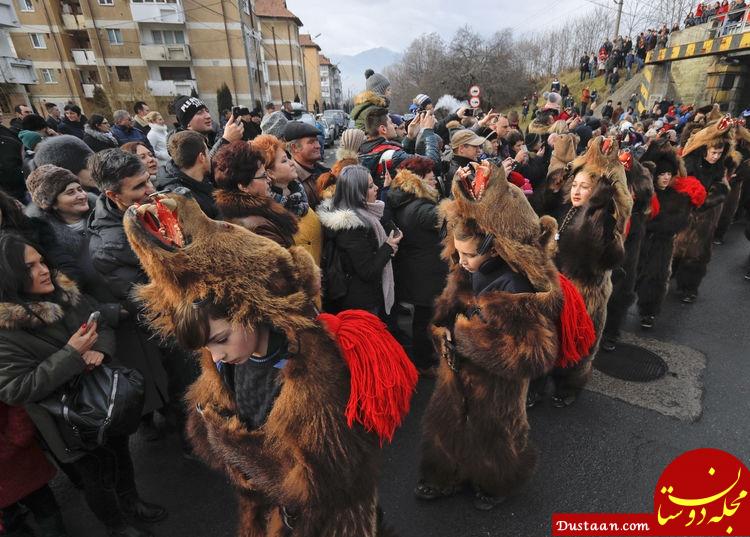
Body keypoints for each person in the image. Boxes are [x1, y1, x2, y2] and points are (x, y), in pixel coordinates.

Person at [122, 190, 416, 537]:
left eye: (219, 341)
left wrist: (232, 444)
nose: (215, 356)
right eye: (206, 347)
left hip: (327, 517)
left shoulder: (313, 371)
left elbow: (321, 482)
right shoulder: (226, 357)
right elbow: (208, 424)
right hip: (267, 505)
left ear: (251, 313)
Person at [416, 160, 586, 510]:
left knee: (492, 434)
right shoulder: (468, 271)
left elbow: (531, 354)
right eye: (458, 253)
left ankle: (496, 483)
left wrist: (464, 337)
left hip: (496, 387)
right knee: (448, 425)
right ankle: (445, 476)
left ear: (494, 247)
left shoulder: (517, 288)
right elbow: (446, 312)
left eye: (467, 255)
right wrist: (442, 329)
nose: (461, 262)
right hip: (458, 374)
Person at [0, 233, 166, 537]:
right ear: (8, 277)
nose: (43, 269)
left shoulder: (64, 292)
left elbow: (98, 323)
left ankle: (132, 504)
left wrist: (99, 350)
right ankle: (116, 525)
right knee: (97, 475)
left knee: (121, 455)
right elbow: (16, 388)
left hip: (106, 400)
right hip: (68, 421)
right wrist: (72, 355)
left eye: (41, 261)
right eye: (29, 267)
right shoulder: (5, 331)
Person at [531, 137, 632, 408]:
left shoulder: (603, 220)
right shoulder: (565, 209)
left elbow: (605, 254)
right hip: (555, 285)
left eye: (584, 187)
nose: (576, 191)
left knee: (578, 343)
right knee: (547, 338)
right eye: (574, 185)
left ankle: (569, 386)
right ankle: (537, 385)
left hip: (585, 291)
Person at [87, 149, 169, 426]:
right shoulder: (109, 247)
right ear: (113, 196)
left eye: (148, 180)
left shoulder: (148, 207)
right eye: (138, 187)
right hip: (163, 334)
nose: (150, 190)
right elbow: (149, 297)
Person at [384, 156, 448, 374]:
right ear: (419, 181)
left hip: (416, 270)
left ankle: (425, 359)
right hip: (426, 273)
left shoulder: (403, 199)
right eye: (431, 180)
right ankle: (425, 362)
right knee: (426, 319)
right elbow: (450, 220)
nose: (435, 183)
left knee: (423, 317)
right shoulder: (421, 208)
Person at [636, 141, 705, 329]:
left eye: (669, 174)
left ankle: (648, 312)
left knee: (656, 278)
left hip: (662, 245)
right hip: (640, 243)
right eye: (662, 174)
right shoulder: (646, 193)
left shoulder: (679, 196)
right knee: (634, 276)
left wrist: (651, 224)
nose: (666, 178)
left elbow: (677, 223)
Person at [317, 165, 402, 315]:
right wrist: (388, 246)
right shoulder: (352, 227)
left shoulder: (366, 214)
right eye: (370, 186)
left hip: (363, 298)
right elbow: (368, 271)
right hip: (361, 303)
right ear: (357, 193)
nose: (376, 187)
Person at [672, 119, 733, 303]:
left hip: (705, 216)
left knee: (697, 253)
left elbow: (722, 187)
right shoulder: (689, 162)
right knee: (675, 248)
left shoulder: (720, 166)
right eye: (713, 152)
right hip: (686, 212)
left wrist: (708, 199)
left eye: (719, 153)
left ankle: (689, 288)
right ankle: (670, 273)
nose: (716, 156)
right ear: (705, 149)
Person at [601, 151, 655, 350]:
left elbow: (650, 207)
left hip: (628, 249)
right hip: (606, 245)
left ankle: (611, 332)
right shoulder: (605, 189)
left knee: (621, 291)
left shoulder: (639, 197)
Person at [252, 134, 323, 264]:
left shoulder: (300, 195)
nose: (291, 163)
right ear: (269, 173)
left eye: (288, 158)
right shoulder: (270, 211)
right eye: (284, 161)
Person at [0, 401, 68, 536]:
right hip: (16, 455)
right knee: (11, 524)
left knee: (45, 509)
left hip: (19, 460)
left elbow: (14, 398)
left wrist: (16, 438)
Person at [213, 141, 298, 247]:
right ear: (243, 186)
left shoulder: (237, 213)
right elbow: (284, 261)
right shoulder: (258, 227)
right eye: (262, 176)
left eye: (266, 173)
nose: (269, 179)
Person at [359, 107, 440, 192]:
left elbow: (402, 158)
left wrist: (409, 138)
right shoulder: (392, 156)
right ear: (383, 129)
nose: (395, 126)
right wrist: (428, 131)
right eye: (391, 123)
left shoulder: (367, 151)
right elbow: (432, 163)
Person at [156, 130, 218, 218]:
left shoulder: (203, 178)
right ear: (201, 157)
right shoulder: (183, 200)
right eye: (207, 152)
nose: (210, 157)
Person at [172, 95, 243, 161]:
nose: (208, 116)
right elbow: (203, 168)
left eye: (207, 111)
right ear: (188, 124)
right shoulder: (182, 148)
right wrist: (225, 141)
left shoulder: (212, 138)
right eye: (199, 113)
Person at [284, 121, 329, 210]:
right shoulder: (291, 182)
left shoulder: (325, 172)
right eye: (311, 142)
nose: (318, 146)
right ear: (294, 147)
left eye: (317, 141)